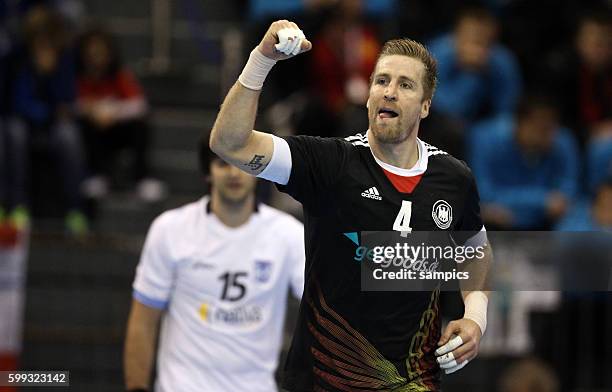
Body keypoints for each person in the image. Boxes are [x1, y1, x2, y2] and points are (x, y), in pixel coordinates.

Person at [209, 20, 492, 391]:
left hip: (413, 382)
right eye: (381, 81)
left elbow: (476, 251)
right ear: (369, 94)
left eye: (405, 85)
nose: (389, 92)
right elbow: (230, 143)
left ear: (425, 106)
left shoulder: (454, 179)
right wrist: (262, 60)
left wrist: (475, 317)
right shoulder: (330, 163)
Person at [123, 140, 305, 392]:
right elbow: (143, 321)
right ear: (207, 173)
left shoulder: (288, 236)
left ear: (258, 171)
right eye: (223, 164)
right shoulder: (170, 230)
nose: (233, 173)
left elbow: (326, 304)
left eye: (242, 164)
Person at [76, 28, 165, 202]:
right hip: (95, 135)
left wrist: (112, 112)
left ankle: (142, 177)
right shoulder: (79, 77)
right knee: (86, 126)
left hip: (119, 131)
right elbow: (71, 104)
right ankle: (97, 175)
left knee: (140, 125)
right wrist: (92, 111)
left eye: (100, 52)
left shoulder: (119, 75)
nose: (96, 58)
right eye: (92, 53)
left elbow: (140, 105)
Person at [469, 96, 579, 230]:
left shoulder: (562, 142)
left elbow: (567, 193)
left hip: (546, 221)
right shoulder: (484, 139)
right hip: (499, 221)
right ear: (519, 123)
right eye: (541, 128)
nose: (549, 136)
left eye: (552, 127)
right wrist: (541, 200)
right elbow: (484, 194)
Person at [428, 7, 522, 127]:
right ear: (456, 34)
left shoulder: (503, 61)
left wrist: (484, 71)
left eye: (483, 41)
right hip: (439, 120)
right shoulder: (437, 52)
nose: (476, 49)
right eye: (471, 39)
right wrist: (470, 74)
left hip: (483, 125)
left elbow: (508, 107)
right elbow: (432, 100)